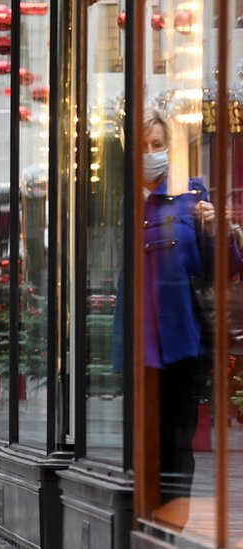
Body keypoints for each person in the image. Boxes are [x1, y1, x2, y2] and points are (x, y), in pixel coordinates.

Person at [113, 108, 242, 523]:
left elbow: (223, 269)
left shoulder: (192, 193)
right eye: (143, 146)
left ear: (169, 146)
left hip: (184, 342)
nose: (151, 153)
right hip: (141, 343)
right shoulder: (126, 200)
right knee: (144, 444)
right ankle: (148, 520)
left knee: (178, 441)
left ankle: (170, 527)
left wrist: (216, 233)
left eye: (158, 144)